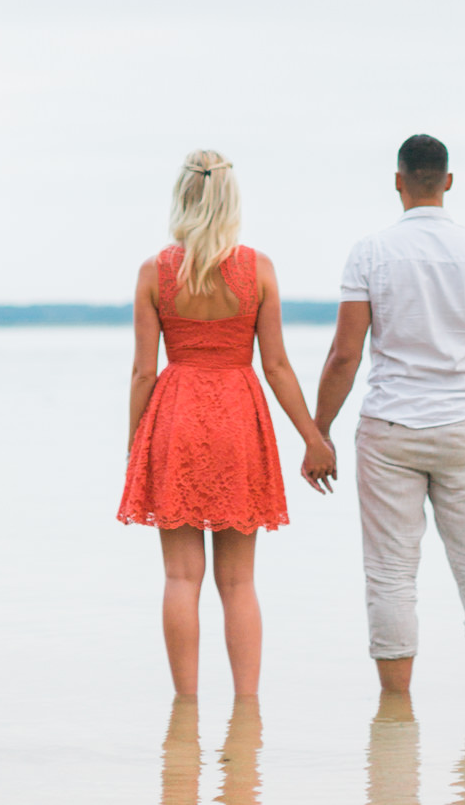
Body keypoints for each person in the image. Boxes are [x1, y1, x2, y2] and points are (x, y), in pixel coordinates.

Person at [118, 150, 336, 696]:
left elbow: (145, 370)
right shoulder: (258, 269)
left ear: (183, 197)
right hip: (239, 416)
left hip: (177, 414)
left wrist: (134, 442)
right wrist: (313, 438)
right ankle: (246, 709)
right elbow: (278, 365)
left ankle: (185, 708)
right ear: (231, 200)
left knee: (179, 577)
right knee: (238, 582)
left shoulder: (154, 272)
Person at [305, 133, 465, 690]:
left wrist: (318, 432)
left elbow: (344, 354)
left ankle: (395, 714)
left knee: (391, 575)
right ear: (447, 182)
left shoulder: (370, 253)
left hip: (389, 429)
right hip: (462, 426)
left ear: (398, 180)